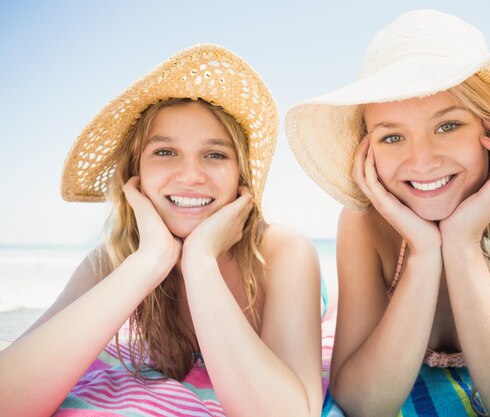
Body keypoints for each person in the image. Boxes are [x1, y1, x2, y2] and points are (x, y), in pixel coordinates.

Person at [286, 9, 490, 417]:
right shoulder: (364, 224)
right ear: (368, 153)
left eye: (447, 126)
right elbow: (363, 404)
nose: (422, 160)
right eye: (392, 136)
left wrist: (463, 243)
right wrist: (425, 252)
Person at [0, 44, 322, 417]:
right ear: (134, 175)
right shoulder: (117, 258)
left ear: (241, 178)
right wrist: (152, 259)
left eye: (215, 154)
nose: (190, 175)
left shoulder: (282, 252)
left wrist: (200, 261)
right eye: (165, 152)